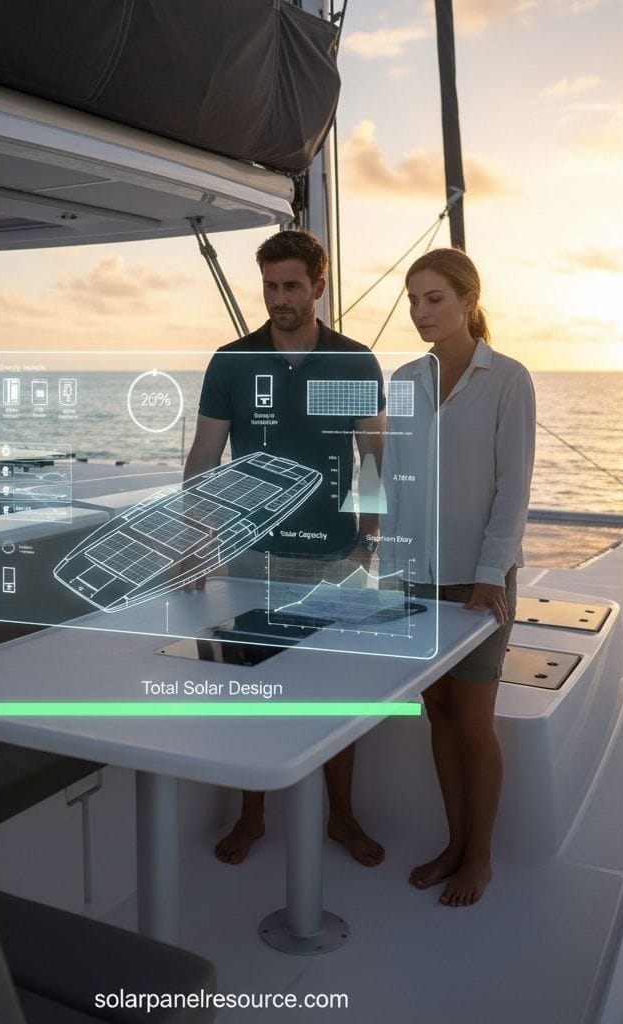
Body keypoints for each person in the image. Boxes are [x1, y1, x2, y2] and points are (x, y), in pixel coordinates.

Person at [183, 228, 387, 867]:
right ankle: (252, 816)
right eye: (270, 286)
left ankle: (343, 819)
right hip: (248, 559)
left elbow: (376, 455)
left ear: (318, 287)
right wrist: (194, 539)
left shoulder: (355, 362)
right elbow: (204, 457)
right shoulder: (231, 362)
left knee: (338, 690)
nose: (279, 298)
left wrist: (369, 537)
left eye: (292, 285)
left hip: (329, 555)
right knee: (248, 686)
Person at [382, 247, 535, 907]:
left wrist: (488, 574)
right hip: (417, 580)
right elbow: (397, 482)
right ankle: (452, 842)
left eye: (434, 298)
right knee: (436, 712)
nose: (419, 312)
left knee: (474, 721)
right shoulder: (404, 380)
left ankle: (480, 856)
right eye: (413, 299)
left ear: (469, 300)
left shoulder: (508, 379)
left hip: (480, 582)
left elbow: (513, 489)